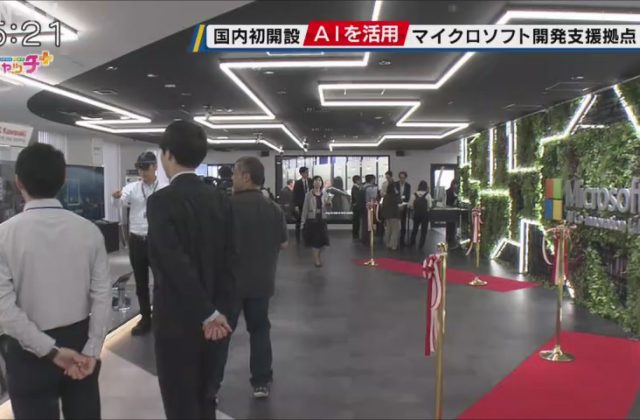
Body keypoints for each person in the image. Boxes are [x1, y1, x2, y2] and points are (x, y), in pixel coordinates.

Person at [0, 143, 111, 419]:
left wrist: (50, 351)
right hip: (80, 343)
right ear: (63, 181)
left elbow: (4, 309)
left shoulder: (4, 235)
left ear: (18, 182)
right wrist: (92, 350)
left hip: (26, 351)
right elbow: (102, 295)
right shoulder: (89, 231)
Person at [147, 120, 235, 420]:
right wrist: (219, 313)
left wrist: (207, 313)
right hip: (218, 323)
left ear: (168, 154)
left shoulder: (160, 202)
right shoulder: (221, 200)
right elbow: (231, 261)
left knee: (180, 403)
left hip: (176, 321)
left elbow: (172, 263)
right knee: (206, 398)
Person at [213, 157, 288, 400]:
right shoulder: (273, 208)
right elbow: (284, 243)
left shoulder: (225, 206)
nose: (232, 178)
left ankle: (212, 385)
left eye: (235, 174)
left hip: (230, 284)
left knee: (222, 333)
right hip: (261, 282)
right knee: (260, 329)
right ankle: (261, 382)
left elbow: (214, 244)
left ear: (246, 177)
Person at [112, 151, 164, 335]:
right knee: (141, 282)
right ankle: (145, 318)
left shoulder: (164, 188)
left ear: (155, 167)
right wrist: (116, 197)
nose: (143, 173)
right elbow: (120, 203)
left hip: (157, 239)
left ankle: (161, 317)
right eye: (140, 169)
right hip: (137, 240)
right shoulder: (132, 188)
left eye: (146, 168)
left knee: (161, 281)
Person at [301, 175, 331, 267]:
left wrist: (329, 204)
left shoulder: (324, 194)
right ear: (313, 183)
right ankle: (317, 260)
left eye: (319, 180)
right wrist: (303, 222)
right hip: (312, 220)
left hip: (322, 220)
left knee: (323, 242)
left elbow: (328, 207)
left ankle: (317, 256)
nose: (318, 182)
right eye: (316, 180)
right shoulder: (308, 195)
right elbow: (305, 209)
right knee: (315, 241)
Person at [409, 180, 433, 249]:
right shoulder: (428, 195)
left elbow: (410, 205)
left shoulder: (414, 195)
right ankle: (421, 244)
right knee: (424, 230)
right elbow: (430, 206)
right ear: (426, 187)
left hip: (416, 214)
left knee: (415, 228)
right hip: (425, 214)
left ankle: (412, 242)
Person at [381, 182, 402, 251]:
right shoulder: (395, 196)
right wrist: (397, 193)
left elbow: (383, 205)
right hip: (394, 215)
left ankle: (387, 243)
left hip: (387, 215)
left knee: (388, 230)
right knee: (395, 230)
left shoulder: (386, 196)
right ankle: (393, 245)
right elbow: (400, 201)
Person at [292, 167, 312, 242]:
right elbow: (295, 194)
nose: (307, 174)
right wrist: (296, 205)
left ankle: (307, 237)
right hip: (300, 204)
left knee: (309, 221)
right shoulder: (297, 183)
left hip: (309, 204)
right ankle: (297, 239)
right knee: (299, 221)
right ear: (302, 173)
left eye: (308, 172)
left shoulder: (311, 181)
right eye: (306, 172)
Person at [360, 174, 379, 244]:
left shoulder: (362, 187)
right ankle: (369, 238)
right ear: (372, 180)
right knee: (370, 223)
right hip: (370, 207)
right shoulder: (371, 188)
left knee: (364, 223)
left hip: (363, 207)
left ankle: (364, 238)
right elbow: (374, 197)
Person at [396, 171, 411, 246]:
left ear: (405, 178)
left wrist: (403, 203)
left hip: (404, 205)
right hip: (396, 205)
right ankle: (395, 239)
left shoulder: (408, 185)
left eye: (403, 178)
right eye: (401, 178)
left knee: (403, 223)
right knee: (395, 223)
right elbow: (394, 195)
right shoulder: (395, 184)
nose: (402, 179)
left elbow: (407, 196)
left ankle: (402, 239)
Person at [446, 179, 460, 247]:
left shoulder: (452, 191)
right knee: (450, 224)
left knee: (451, 224)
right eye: (456, 184)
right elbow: (449, 201)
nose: (457, 186)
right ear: (453, 184)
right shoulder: (449, 191)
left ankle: (450, 237)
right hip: (450, 209)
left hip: (451, 210)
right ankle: (450, 238)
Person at [351, 175, 362, 239]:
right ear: (356, 180)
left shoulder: (357, 187)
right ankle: (355, 234)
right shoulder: (355, 188)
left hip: (357, 206)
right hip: (356, 206)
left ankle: (356, 233)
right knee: (356, 221)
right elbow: (356, 197)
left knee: (357, 220)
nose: (360, 181)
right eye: (359, 180)